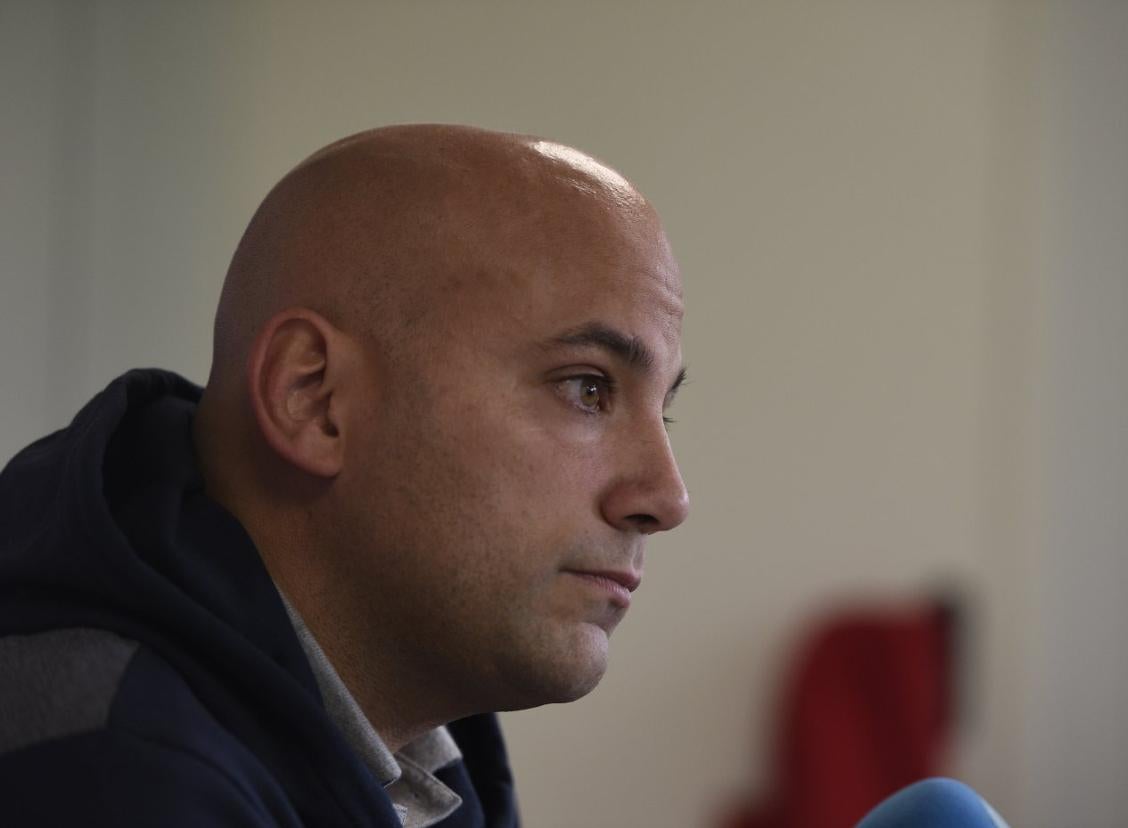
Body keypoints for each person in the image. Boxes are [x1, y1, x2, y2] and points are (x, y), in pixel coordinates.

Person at [0, 124, 690, 827]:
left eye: (663, 411)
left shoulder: (425, 733)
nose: (666, 498)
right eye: (587, 389)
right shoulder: (105, 767)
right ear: (314, 398)